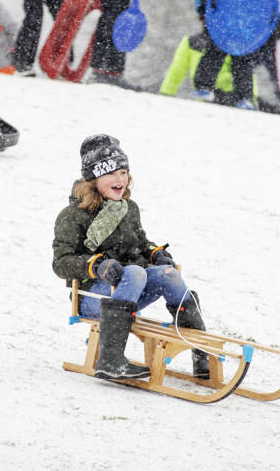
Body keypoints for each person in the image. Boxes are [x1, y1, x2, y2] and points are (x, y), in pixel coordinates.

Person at [52, 134, 209, 381]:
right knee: (135, 272)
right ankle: (110, 360)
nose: (120, 180)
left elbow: (139, 244)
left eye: (124, 172)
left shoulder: (128, 208)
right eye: (111, 174)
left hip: (127, 292)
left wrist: (155, 253)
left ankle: (201, 353)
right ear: (93, 179)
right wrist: (96, 266)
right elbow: (61, 262)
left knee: (170, 275)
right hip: (92, 297)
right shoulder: (73, 215)